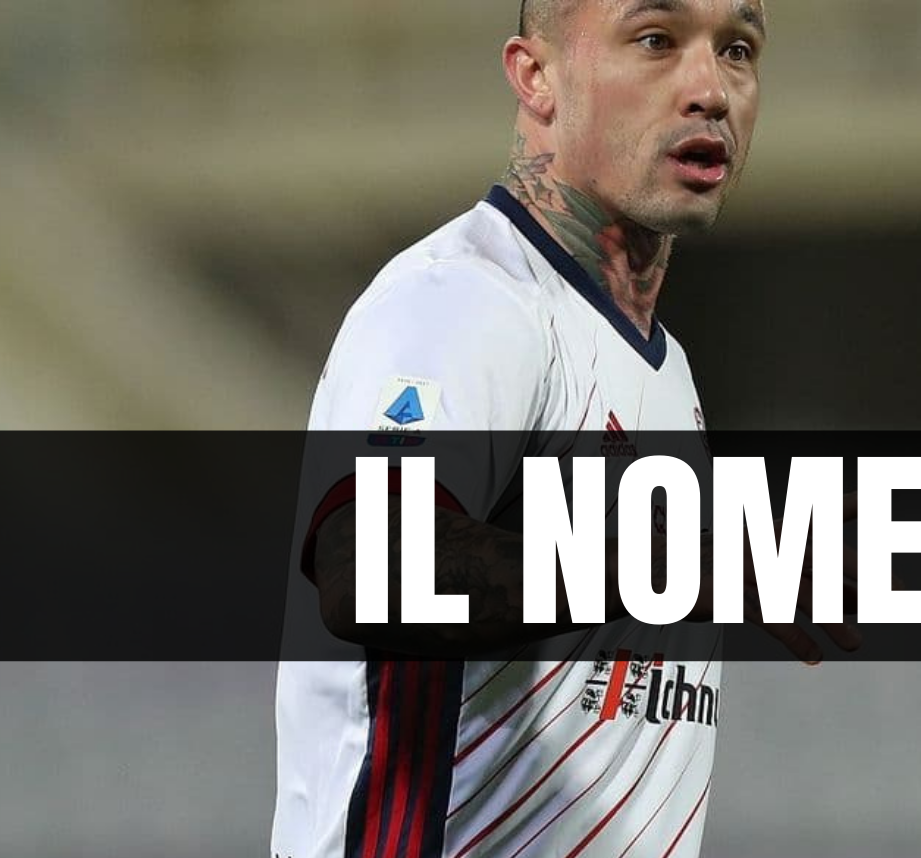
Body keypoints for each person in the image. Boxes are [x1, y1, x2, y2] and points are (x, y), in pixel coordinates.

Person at [272, 2, 858, 857]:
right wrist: (673, 564)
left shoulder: (663, 369)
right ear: (535, 76)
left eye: (738, 50)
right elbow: (373, 568)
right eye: (655, 40)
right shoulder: (467, 298)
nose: (711, 89)